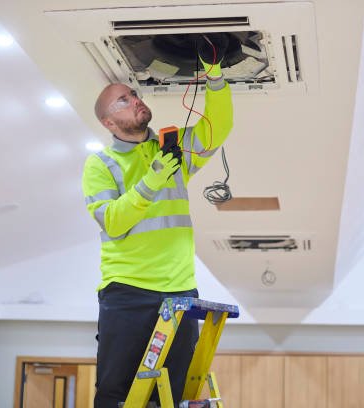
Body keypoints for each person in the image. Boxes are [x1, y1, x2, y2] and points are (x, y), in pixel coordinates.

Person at [81, 34, 233, 408]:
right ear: (108, 121)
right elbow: (113, 222)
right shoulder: (100, 165)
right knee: (116, 393)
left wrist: (214, 75)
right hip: (127, 291)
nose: (135, 101)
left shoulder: (172, 148)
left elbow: (220, 126)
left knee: (176, 394)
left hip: (179, 290)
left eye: (134, 95)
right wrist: (152, 180)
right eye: (124, 100)